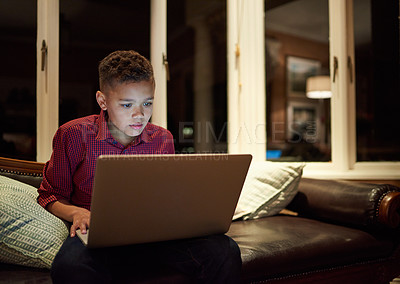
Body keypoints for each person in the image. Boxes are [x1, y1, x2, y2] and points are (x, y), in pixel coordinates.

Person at [37, 50, 241, 283]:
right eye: (126, 105)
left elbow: (170, 195)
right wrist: (77, 212)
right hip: (98, 236)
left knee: (225, 250)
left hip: (154, 236)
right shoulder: (73, 135)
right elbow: (50, 194)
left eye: (147, 103)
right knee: (69, 267)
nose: (139, 115)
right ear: (102, 101)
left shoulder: (162, 138)